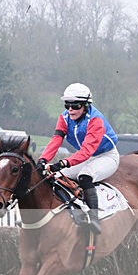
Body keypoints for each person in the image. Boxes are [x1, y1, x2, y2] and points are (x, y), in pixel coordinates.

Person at [38, 83, 119, 235]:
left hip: (106, 156)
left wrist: (63, 163)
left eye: (75, 106)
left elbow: (87, 151)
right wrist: (43, 159)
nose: (70, 109)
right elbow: (56, 139)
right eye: (67, 105)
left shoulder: (95, 120)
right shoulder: (64, 118)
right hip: (86, 157)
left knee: (85, 176)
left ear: (86, 105)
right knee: (55, 177)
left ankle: (94, 217)